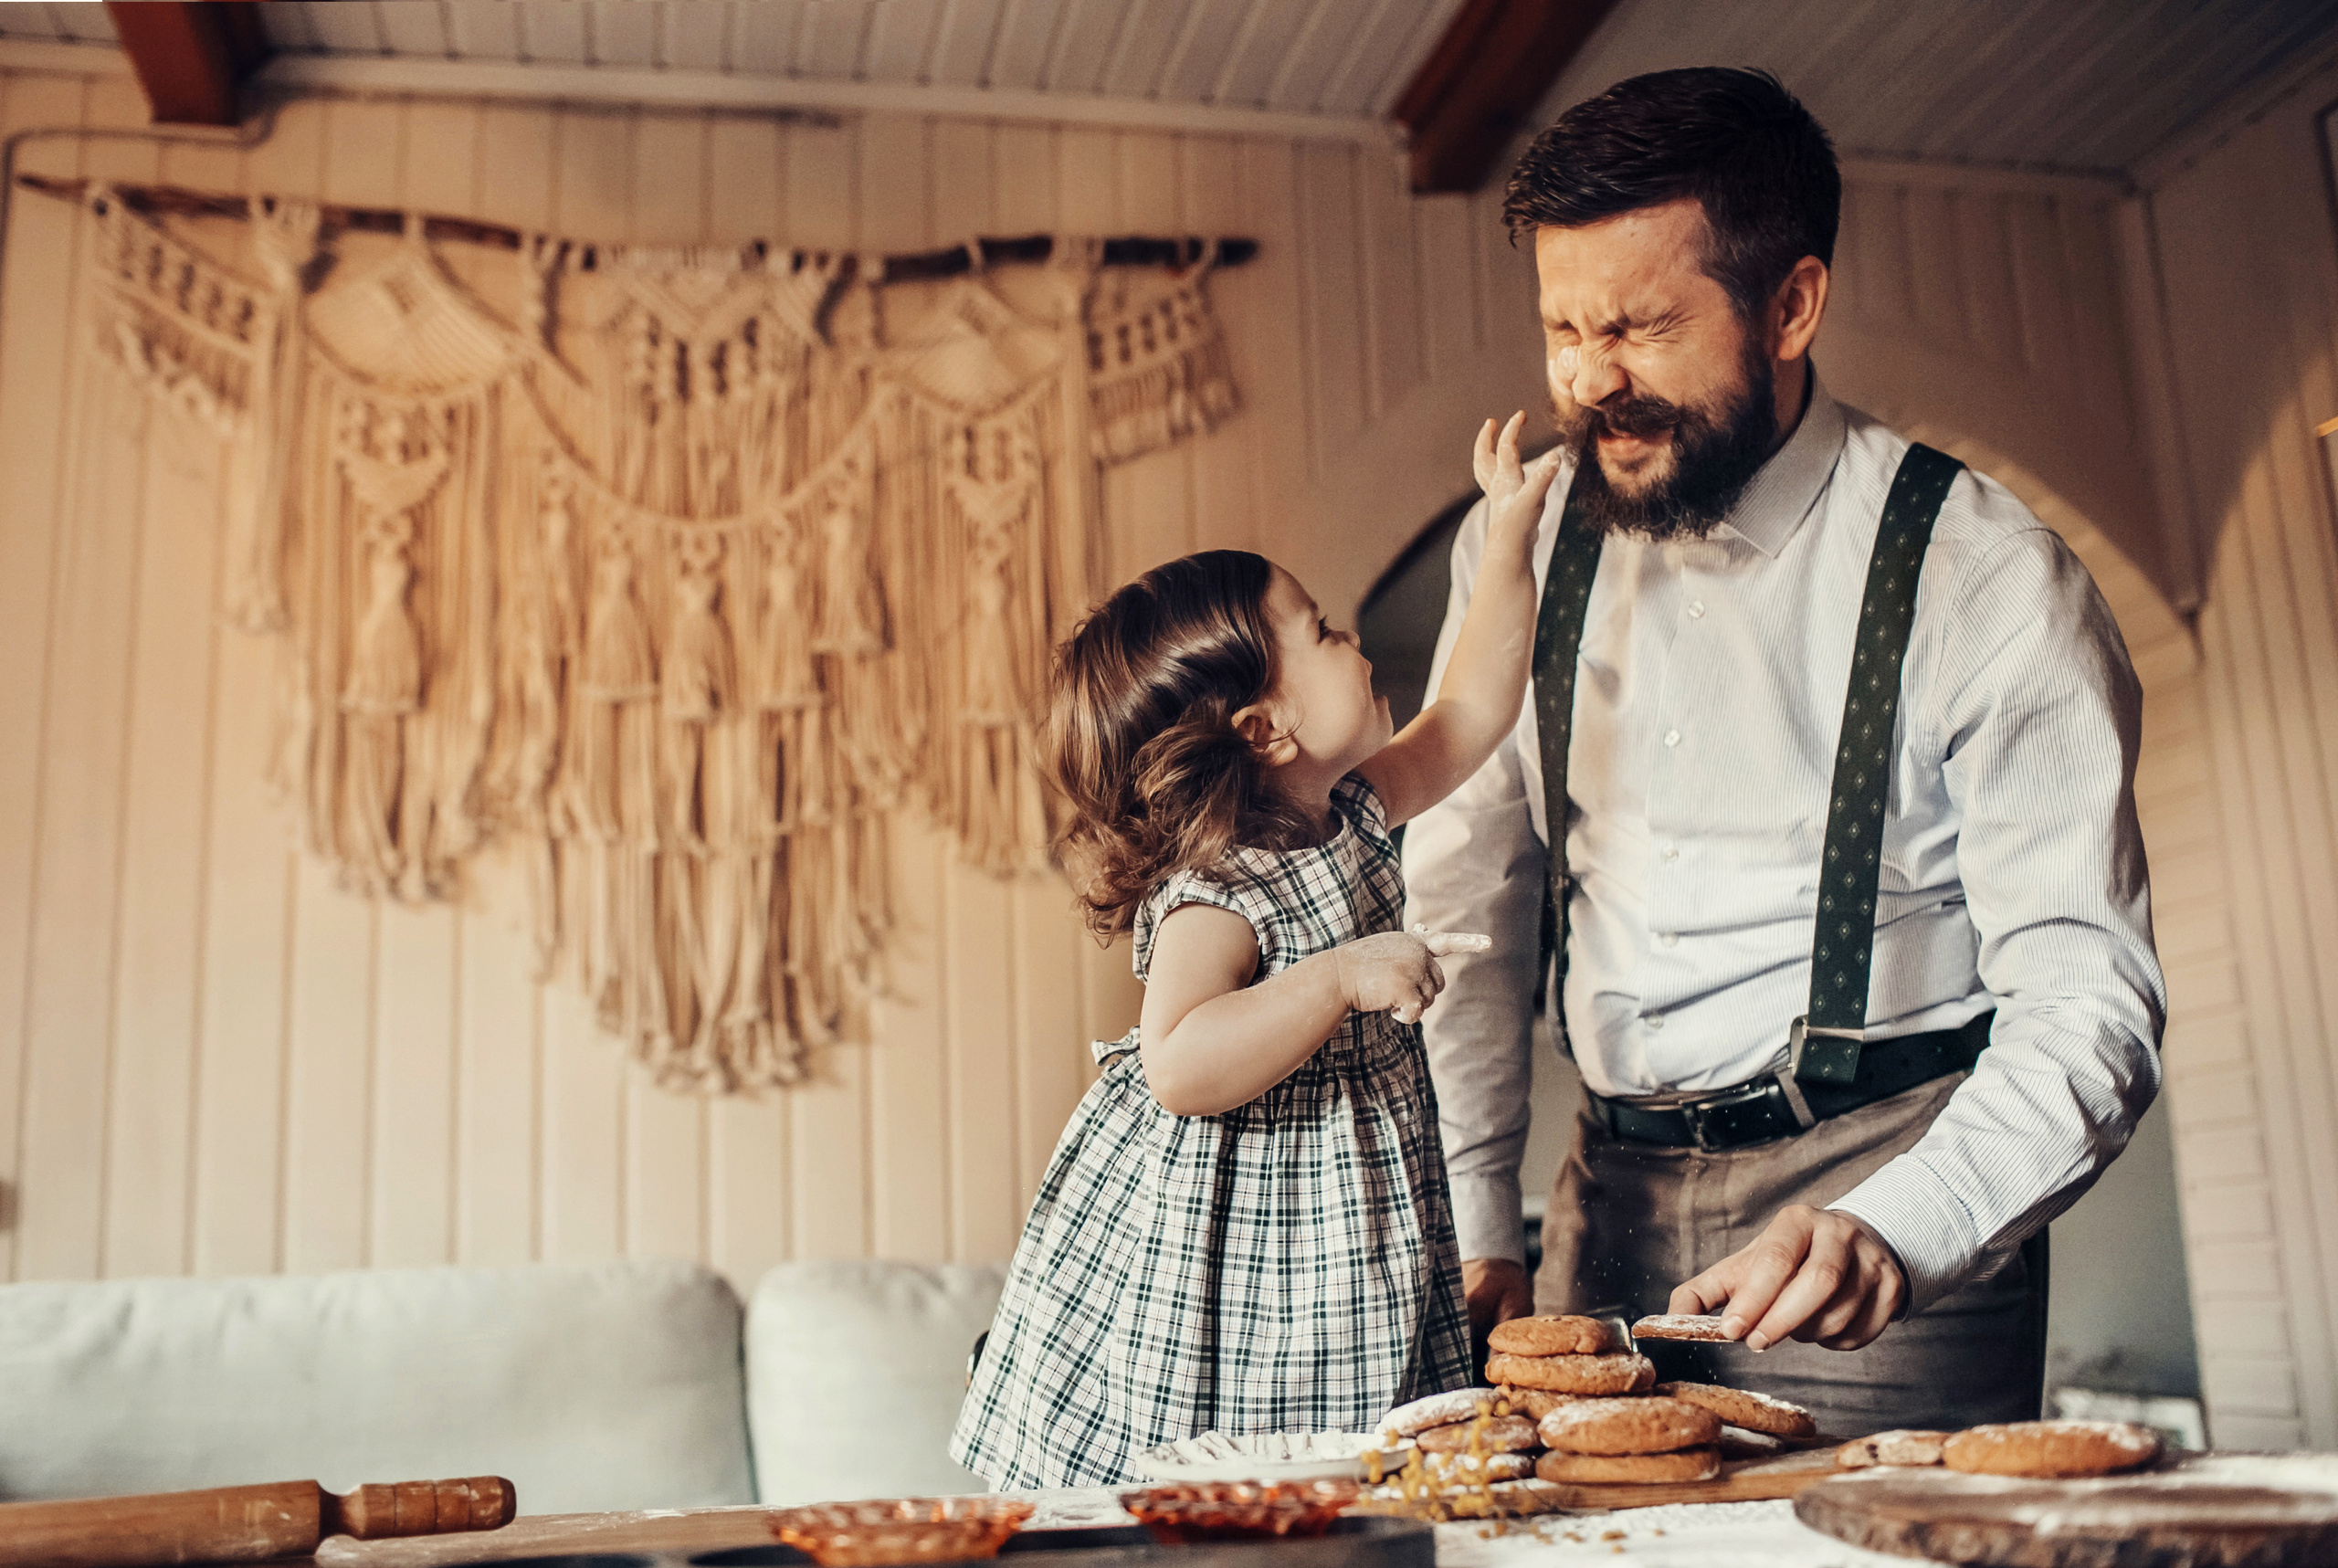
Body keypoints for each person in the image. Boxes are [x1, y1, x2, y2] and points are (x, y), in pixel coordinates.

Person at [1403, 67, 2165, 1436]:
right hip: (1604, 1206)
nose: (1589, 381)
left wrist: (1906, 1224)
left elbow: (2089, 993)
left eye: (1639, 326)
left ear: (1793, 304)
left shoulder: (1982, 573)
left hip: (1890, 1205)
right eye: (1562, 328)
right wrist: (1475, 1213)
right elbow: (1465, 911)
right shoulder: (1513, 546)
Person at [952, 416, 1562, 1489]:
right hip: (1241, 1248)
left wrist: (1507, 538)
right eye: (1322, 632)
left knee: (1358, 1475)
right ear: (1261, 729)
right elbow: (1179, 1064)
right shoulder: (1217, 892)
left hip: (1352, 1212)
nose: (1354, 641)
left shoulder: (1355, 808)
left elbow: (1472, 709)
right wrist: (1335, 976)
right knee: (1236, 1478)